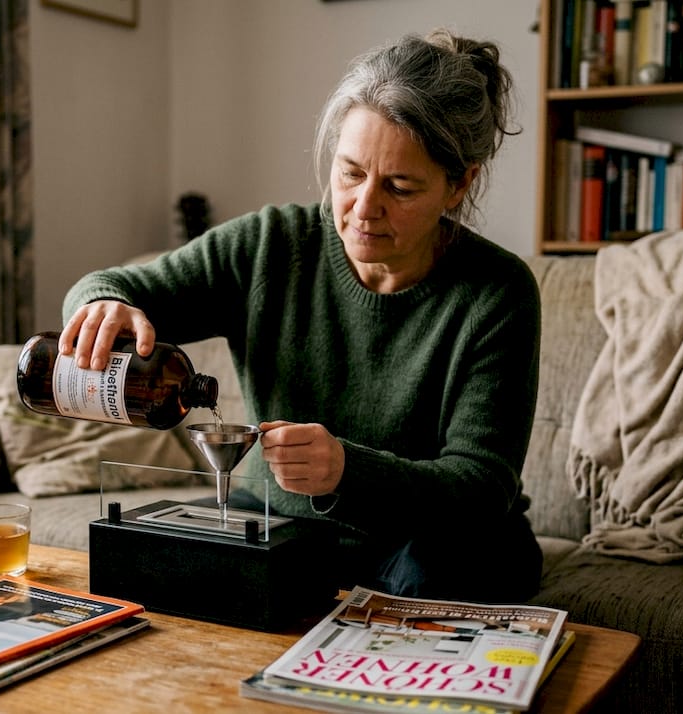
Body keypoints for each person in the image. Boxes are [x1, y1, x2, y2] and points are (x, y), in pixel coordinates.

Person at [57, 29, 542, 603]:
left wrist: (346, 470)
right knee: (153, 558)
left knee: (428, 580)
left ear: (459, 183)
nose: (363, 209)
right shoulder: (270, 244)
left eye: (401, 187)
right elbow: (119, 288)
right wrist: (99, 304)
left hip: (435, 541)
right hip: (284, 526)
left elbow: (482, 487)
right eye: (351, 173)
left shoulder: (498, 292)